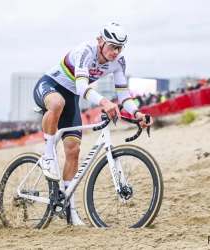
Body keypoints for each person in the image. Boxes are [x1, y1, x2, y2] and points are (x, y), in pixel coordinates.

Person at [33, 23, 153, 226]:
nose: (115, 52)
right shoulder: (85, 51)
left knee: (73, 151)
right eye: (112, 46)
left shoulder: (118, 62)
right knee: (57, 102)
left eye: (119, 47)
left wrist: (137, 112)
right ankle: (48, 156)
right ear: (100, 41)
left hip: (71, 99)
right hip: (50, 85)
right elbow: (81, 85)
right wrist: (104, 101)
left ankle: (70, 212)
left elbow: (123, 94)